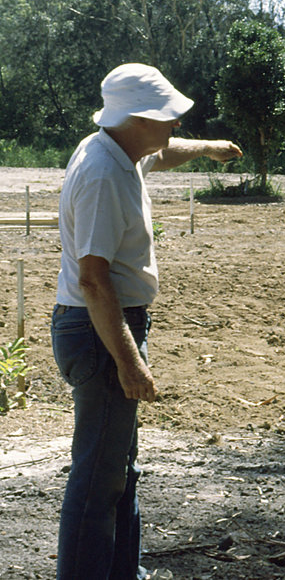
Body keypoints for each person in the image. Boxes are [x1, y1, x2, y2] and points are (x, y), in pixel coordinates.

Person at [51, 63, 242, 580]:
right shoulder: (103, 175)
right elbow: (93, 280)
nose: (173, 126)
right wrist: (129, 363)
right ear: (136, 118)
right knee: (98, 477)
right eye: (166, 117)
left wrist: (207, 147)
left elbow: (164, 153)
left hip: (107, 326)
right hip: (98, 332)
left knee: (119, 470)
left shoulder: (118, 148)